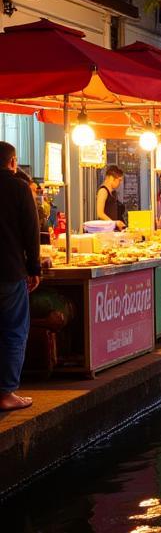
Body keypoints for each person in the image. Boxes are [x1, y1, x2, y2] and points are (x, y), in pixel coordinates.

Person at [0, 143, 41, 411]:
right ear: (13, 161)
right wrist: (35, 268)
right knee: (13, 330)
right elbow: (31, 231)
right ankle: (6, 393)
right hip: (9, 271)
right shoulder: (18, 188)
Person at [95, 165, 127, 230]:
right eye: (119, 180)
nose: (120, 183)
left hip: (112, 230)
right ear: (112, 178)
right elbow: (100, 214)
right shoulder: (103, 191)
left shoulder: (113, 193)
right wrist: (114, 223)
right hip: (105, 230)